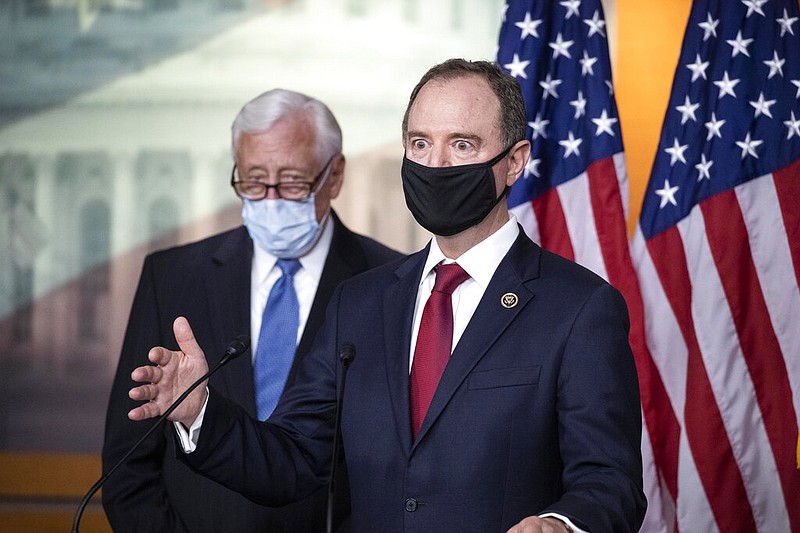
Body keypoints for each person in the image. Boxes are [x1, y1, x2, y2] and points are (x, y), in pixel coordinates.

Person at [127, 59, 646, 533]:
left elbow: (609, 482)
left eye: (462, 144)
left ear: (514, 162)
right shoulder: (361, 302)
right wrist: (201, 412)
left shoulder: (579, 308)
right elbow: (293, 459)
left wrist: (561, 525)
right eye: (420, 144)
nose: (436, 164)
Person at [102, 88, 402, 533]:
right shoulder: (172, 277)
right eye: (254, 181)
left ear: (334, 175)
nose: (272, 199)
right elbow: (129, 464)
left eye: (294, 181)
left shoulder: (391, 283)